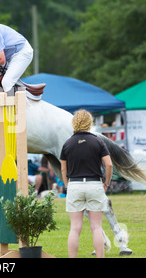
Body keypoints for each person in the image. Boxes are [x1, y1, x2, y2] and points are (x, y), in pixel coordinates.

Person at [60, 109, 113, 258]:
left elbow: (63, 168)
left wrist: (66, 185)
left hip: (75, 185)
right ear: (90, 123)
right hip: (94, 184)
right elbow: (108, 164)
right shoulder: (98, 141)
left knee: (75, 228)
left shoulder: (68, 143)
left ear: (74, 123)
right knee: (96, 227)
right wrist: (106, 182)